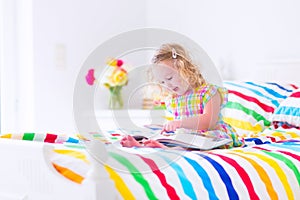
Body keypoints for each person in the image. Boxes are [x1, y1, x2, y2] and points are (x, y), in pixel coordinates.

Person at [120, 43, 242, 149]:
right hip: (186, 136)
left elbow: (208, 122)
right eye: (162, 82)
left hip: (211, 135)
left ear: (185, 70)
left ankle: (163, 147)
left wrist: (179, 123)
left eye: (169, 78)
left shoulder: (209, 92)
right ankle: (145, 144)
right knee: (170, 137)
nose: (167, 85)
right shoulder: (174, 98)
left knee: (192, 142)